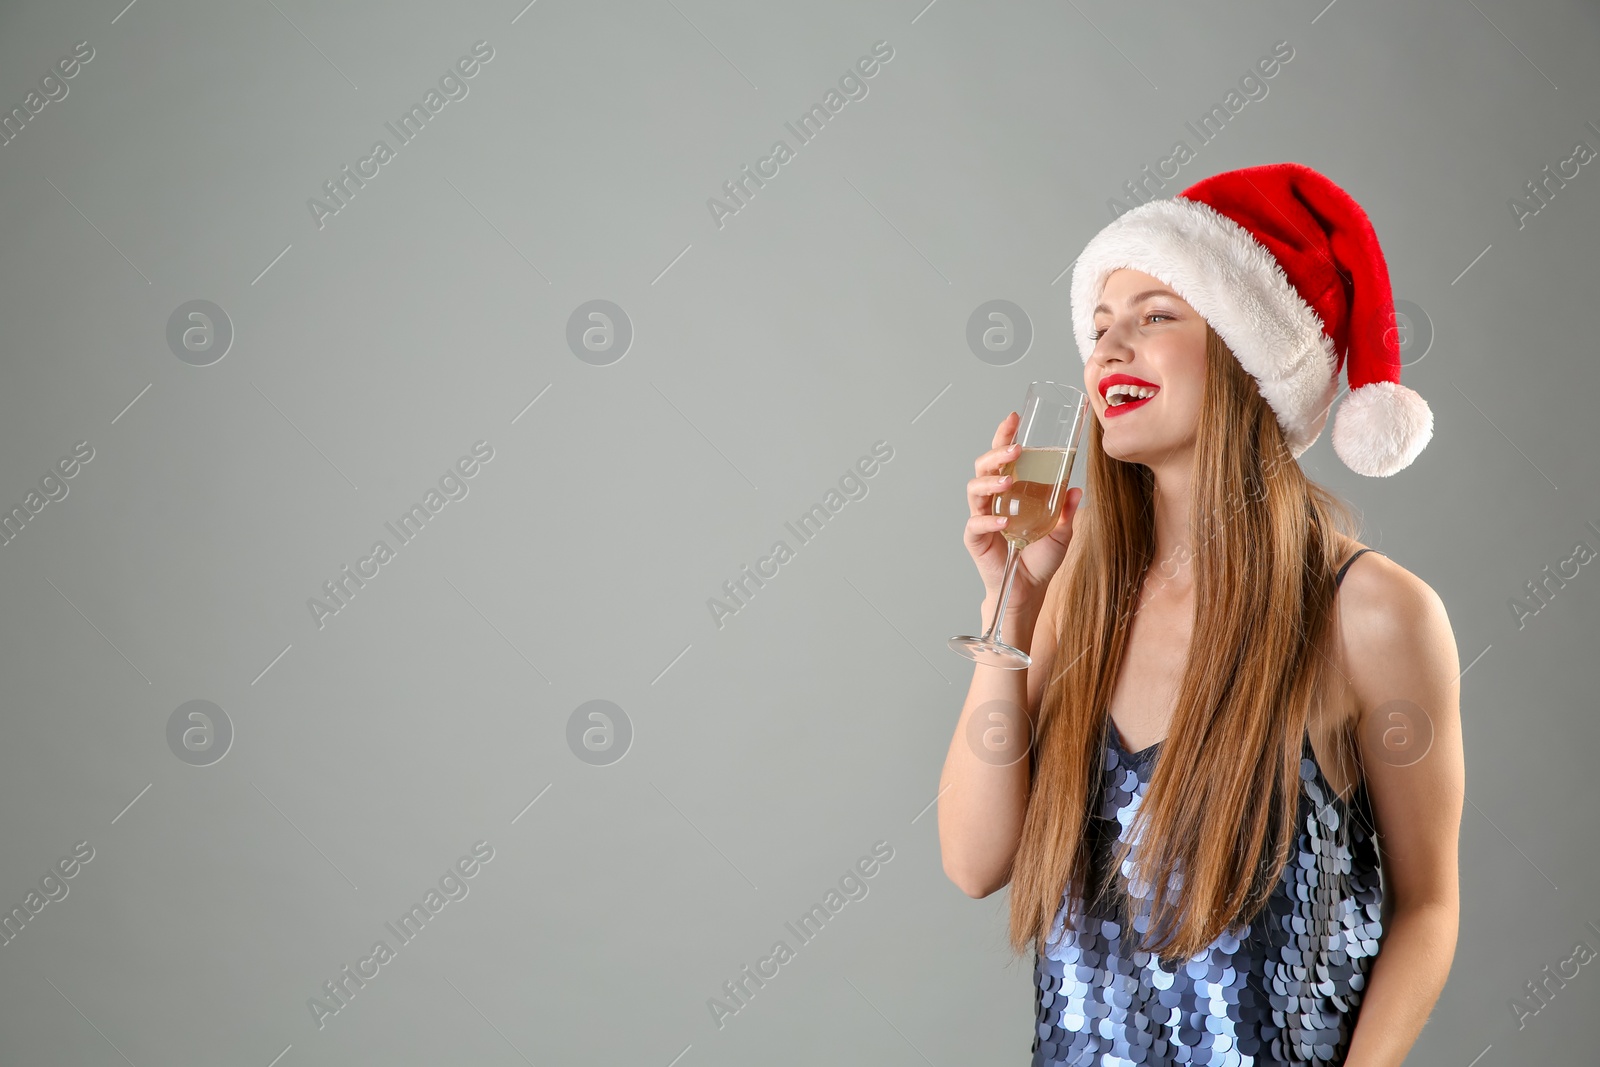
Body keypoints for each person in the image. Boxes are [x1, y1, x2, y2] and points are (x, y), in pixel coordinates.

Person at [938, 163, 1463, 1065]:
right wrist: (1009, 608)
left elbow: (1427, 907)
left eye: (1154, 316)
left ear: (1246, 348)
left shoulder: (1373, 612)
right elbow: (974, 862)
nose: (1108, 350)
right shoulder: (1076, 602)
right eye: (1100, 327)